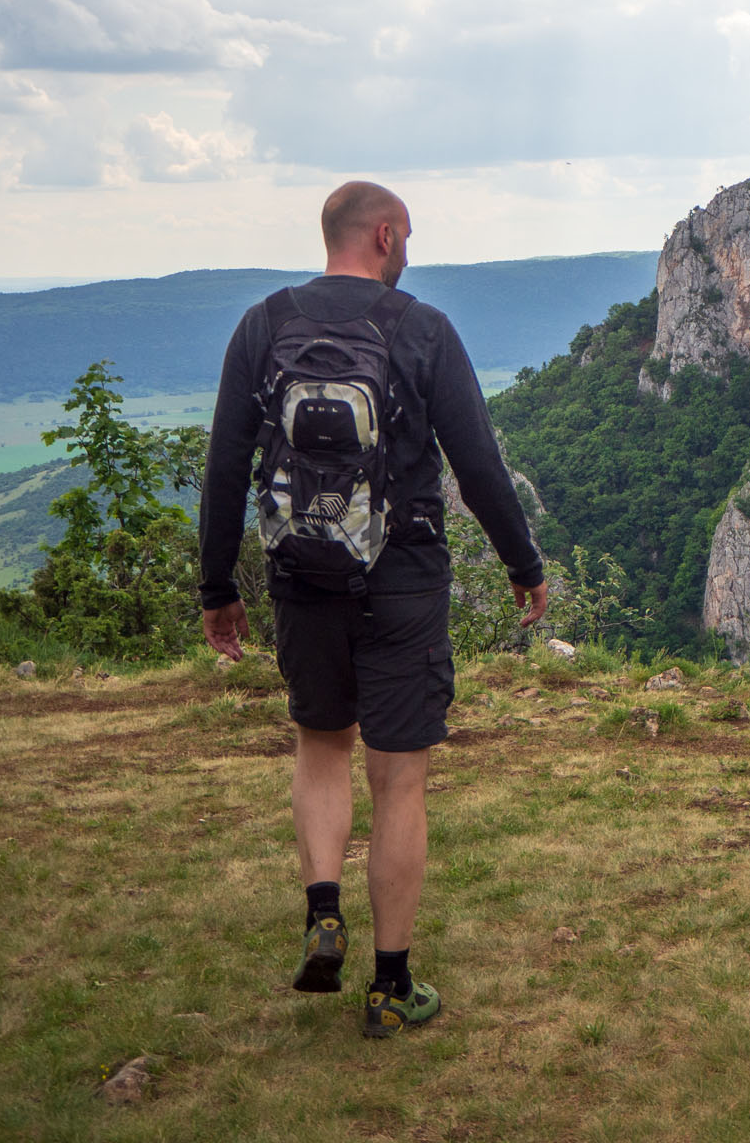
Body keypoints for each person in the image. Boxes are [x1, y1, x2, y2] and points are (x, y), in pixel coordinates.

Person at [197, 181, 548, 1038]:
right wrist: (522, 564)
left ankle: (325, 908)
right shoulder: (421, 329)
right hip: (403, 580)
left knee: (321, 744)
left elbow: (223, 466)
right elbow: (478, 464)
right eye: (410, 236)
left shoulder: (263, 325)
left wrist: (218, 589)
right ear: (386, 235)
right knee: (401, 777)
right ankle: (392, 990)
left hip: (299, 576)